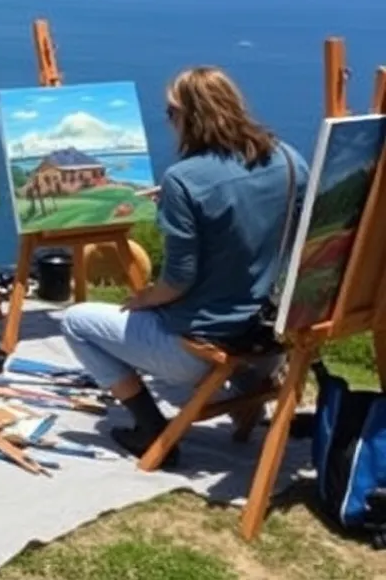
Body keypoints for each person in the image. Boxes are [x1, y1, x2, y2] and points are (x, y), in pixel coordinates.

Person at [60, 66, 307, 463]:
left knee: (75, 322)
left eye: (171, 113)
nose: (169, 121)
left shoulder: (185, 178)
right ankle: (247, 394)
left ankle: (152, 430)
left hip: (201, 347)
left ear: (190, 117)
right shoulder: (289, 158)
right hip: (271, 338)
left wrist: (145, 299)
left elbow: (178, 280)